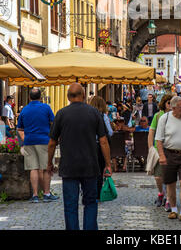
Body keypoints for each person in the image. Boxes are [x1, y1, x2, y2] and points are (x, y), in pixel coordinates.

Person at [47, 83, 112, 231]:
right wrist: (108, 164)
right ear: (83, 95)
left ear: (68, 97)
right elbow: (103, 141)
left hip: (69, 167)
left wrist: (49, 163)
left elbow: (52, 143)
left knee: (70, 205)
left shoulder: (61, 114)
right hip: (90, 166)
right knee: (90, 203)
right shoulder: (94, 113)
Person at [155, 96, 181, 222]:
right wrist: (162, 156)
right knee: (170, 183)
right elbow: (159, 139)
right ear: (173, 108)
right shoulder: (165, 118)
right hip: (169, 155)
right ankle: (173, 210)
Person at [17, 88, 58, 203]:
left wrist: (25, 138)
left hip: (29, 141)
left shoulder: (24, 110)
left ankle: (35, 195)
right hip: (44, 140)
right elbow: (53, 124)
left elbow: (20, 128)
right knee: (46, 168)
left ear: (29, 97)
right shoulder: (46, 108)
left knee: (33, 168)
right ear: (41, 97)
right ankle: (46, 193)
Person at [148, 94, 173, 211]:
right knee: (158, 177)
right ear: (164, 103)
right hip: (158, 151)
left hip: (172, 151)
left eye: (172, 102)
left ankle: (168, 199)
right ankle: (161, 193)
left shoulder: (176, 116)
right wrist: (151, 148)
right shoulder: (158, 116)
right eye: (169, 102)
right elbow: (151, 132)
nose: (171, 105)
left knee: (169, 176)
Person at [89, 96, 113, 198]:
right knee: (99, 169)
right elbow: (110, 132)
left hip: (89, 145)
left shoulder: (87, 116)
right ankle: (97, 193)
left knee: (89, 169)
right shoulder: (103, 116)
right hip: (99, 146)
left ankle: (87, 191)